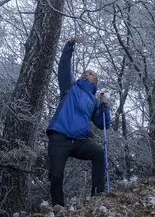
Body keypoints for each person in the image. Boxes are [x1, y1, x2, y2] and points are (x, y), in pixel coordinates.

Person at [45, 35, 111, 207]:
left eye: (89, 73)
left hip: (80, 141)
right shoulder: (70, 87)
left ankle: (98, 195)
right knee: (56, 175)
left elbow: (103, 124)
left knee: (98, 153)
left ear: (95, 81)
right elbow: (64, 67)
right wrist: (69, 45)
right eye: (84, 72)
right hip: (59, 137)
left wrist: (105, 106)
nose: (85, 74)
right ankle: (58, 207)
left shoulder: (94, 101)